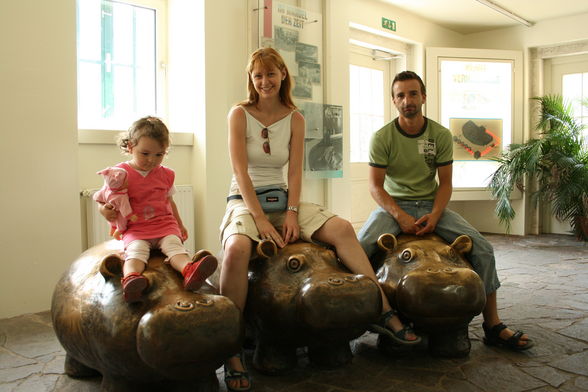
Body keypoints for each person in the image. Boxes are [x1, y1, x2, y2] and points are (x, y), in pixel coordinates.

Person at [219, 48, 420, 392]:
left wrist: (293, 212)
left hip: (282, 198)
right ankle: (229, 345)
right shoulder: (239, 114)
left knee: (342, 228)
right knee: (237, 248)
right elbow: (240, 171)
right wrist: (260, 220)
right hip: (244, 199)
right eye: (258, 76)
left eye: (271, 74)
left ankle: (383, 310)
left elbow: (295, 171)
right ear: (251, 80)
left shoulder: (295, 117)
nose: (265, 82)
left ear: (283, 74)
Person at [358, 70, 534, 352]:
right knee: (356, 248)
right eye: (401, 95)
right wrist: (399, 216)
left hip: (430, 204)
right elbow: (376, 187)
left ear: (423, 97)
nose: (407, 100)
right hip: (395, 207)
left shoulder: (439, 134)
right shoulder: (382, 137)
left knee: (484, 249)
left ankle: (493, 324)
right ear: (393, 101)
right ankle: (360, 318)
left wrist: (437, 215)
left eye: (413, 93)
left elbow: (446, 184)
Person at [98, 116, 217, 303]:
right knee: (136, 252)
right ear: (130, 147)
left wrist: (180, 225)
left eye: (159, 155)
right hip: (136, 229)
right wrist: (105, 211)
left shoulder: (166, 175)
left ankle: (189, 270)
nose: (151, 160)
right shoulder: (119, 174)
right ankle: (131, 278)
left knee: (175, 247)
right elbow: (103, 198)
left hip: (164, 224)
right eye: (145, 154)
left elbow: (170, 201)